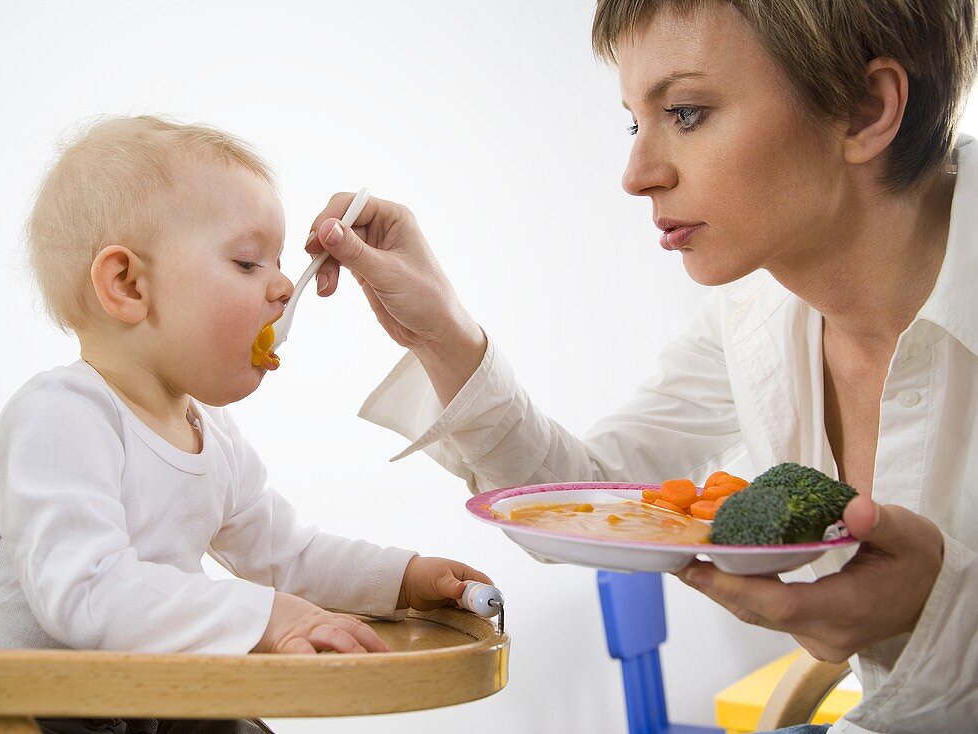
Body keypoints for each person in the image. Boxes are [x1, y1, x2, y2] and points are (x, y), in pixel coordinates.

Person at [298, 1, 978, 733]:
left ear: (866, 108)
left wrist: (937, 620)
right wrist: (442, 333)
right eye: (635, 120)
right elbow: (591, 499)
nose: (636, 175)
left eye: (685, 112)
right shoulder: (752, 315)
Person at [0, 116, 492, 734]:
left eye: (278, 263)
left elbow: (284, 553)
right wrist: (269, 619)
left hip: (115, 697)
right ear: (127, 284)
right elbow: (87, 593)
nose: (284, 287)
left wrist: (403, 580)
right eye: (249, 262)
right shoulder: (59, 415)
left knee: (236, 726)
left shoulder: (212, 432)